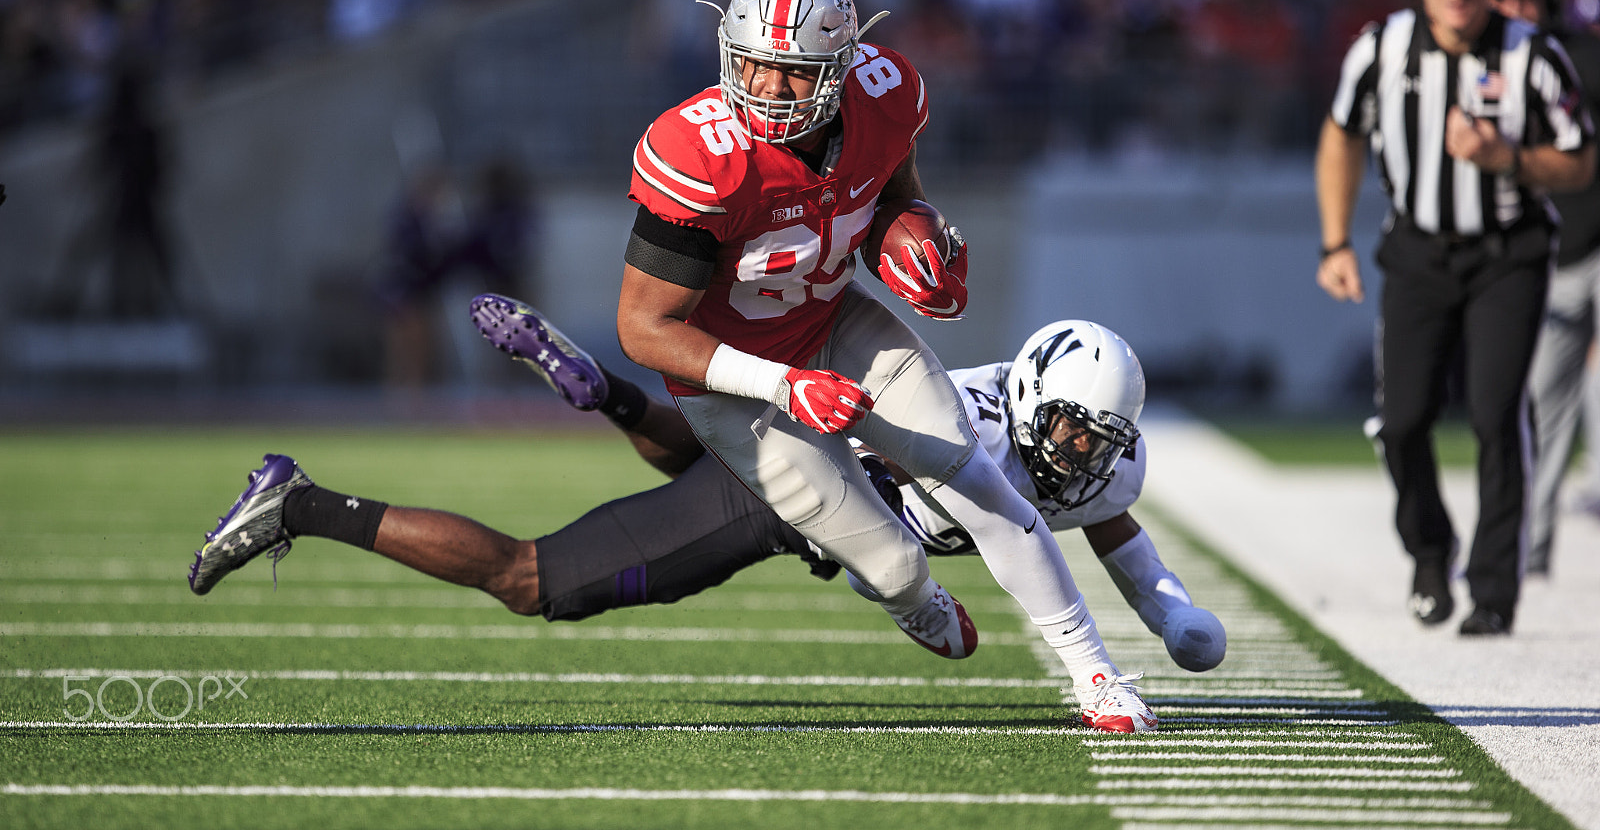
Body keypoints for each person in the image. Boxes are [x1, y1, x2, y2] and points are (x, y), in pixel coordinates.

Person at [188, 296, 1226, 732]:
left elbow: (1107, 524)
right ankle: (304, 502)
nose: (1083, 455)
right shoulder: (989, 436)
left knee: (726, 466)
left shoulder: (1080, 448)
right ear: (1034, 397)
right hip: (800, 486)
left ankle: (605, 394)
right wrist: (1091, 665)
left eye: (1100, 440)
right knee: (531, 578)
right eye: (1077, 433)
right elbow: (1016, 527)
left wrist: (1172, 611)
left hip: (800, 458)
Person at [616, 0, 1151, 721]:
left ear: (840, 68)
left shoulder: (884, 94)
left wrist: (915, 247)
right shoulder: (699, 155)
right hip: (731, 381)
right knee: (895, 564)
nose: (767, 89)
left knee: (973, 478)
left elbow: (894, 196)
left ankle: (1097, 676)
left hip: (834, 320)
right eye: (753, 65)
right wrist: (781, 384)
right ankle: (912, 599)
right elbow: (642, 327)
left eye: (793, 73)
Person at [1315, 0, 1596, 637]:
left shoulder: (1533, 55)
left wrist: (1506, 158)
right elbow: (1341, 133)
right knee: (1403, 419)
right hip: (1417, 251)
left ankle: (1495, 588)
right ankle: (1429, 551)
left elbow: (1579, 158)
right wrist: (1334, 241)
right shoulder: (1382, 49)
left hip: (1509, 252)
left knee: (1497, 411)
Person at [1489, 0, 1600, 576]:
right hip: (1548, 252)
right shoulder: (1488, 67)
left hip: (1588, 242)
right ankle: (1527, 553)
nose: (1513, 12)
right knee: (1539, 402)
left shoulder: (1575, 61)